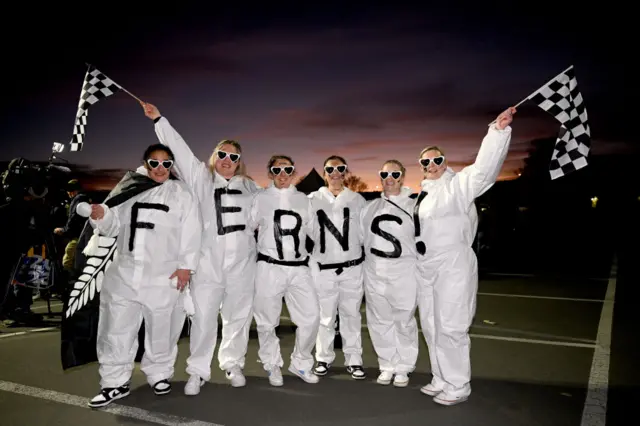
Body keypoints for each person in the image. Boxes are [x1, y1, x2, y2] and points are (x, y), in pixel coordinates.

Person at [143, 102, 261, 394]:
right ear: (214, 156)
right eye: (222, 154)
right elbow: (178, 148)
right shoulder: (199, 177)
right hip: (208, 262)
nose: (227, 159)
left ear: (239, 161)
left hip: (242, 264)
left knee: (238, 317)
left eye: (233, 156)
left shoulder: (250, 187)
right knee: (204, 319)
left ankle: (232, 362)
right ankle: (198, 370)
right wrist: (159, 119)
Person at [86, 144, 202, 408]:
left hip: (164, 274)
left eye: (166, 163)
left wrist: (186, 266)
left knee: (163, 328)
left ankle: (159, 373)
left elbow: (192, 230)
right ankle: (114, 382)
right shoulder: (128, 188)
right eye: (154, 162)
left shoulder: (181, 193)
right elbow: (112, 225)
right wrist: (100, 216)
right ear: (145, 163)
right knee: (116, 328)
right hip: (125, 273)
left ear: (172, 166)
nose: (160, 168)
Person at [415, 107, 515, 406]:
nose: (432, 164)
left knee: (452, 325)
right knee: (431, 324)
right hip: (426, 265)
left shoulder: (458, 186)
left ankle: (458, 384)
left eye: (437, 159)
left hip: (453, 263)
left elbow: (484, 170)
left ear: (445, 163)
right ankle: (441, 377)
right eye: (426, 161)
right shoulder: (423, 194)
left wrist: (497, 132)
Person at [247, 155, 320, 386]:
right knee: (267, 321)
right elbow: (247, 230)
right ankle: (272, 364)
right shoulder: (260, 198)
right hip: (269, 266)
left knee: (311, 317)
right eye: (276, 170)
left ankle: (300, 362)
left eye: (287, 169)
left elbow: (315, 233)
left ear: (293, 172)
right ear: (269, 173)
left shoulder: (303, 200)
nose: (282, 174)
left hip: (299, 267)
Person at [359, 160, 419, 387]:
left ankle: (404, 365)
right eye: (385, 174)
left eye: (395, 173)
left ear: (403, 176)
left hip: (403, 271)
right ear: (380, 177)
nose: (390, 178)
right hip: (375, 270)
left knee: (404, 320)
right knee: (379, 321)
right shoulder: (369, 208)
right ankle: (387, 363)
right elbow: (363, 239)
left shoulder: (414, 205)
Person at [308, 156, 367, 379]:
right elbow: (307, 230)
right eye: (330, 169)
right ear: (324, 173)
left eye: (340, 168)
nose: (335, 173)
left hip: (351, 267)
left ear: (345, 172)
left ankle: (354, 359)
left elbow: (363, 234)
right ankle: (323, 357)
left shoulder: (357, 199)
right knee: (325, 317)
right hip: (323, 267)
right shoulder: (313, 198)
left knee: (351, 315)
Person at [54, 179, 90, 273]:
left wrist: (64, 230)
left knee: (67, 260)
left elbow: (74, 218)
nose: (68, 193)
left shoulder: (78, 200)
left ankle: (70, 280)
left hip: (79, 236)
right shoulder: (83, 199)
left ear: (75, 190)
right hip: (83, 234)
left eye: (70, 190)